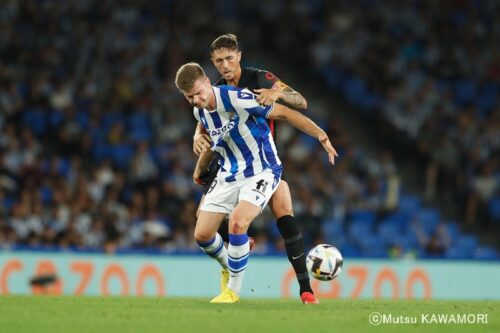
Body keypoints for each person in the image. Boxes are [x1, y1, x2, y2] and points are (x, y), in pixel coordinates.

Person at [175, 62, 337, 303]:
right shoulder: (200, 112)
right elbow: (214, 144)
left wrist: (320, 135)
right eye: (190, 97)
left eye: (199, 93)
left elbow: (285, 112)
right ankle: (229, 264)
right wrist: (199, 167)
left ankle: (233, 291)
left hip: (262, 170)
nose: (196, 100)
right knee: (202, 235)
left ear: (208, 82)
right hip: (229, 173)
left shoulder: (238, 96)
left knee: (239, 223)